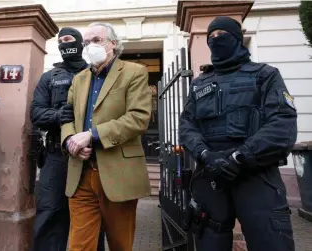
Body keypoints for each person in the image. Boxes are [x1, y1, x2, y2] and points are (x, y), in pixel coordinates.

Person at [179, 16, 297, 251]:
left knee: (271, 242)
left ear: (237, 38)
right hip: (211, 176)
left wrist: (240, 157)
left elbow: (282, 125)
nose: (215, 39)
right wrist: (205, 154)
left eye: (221, 34)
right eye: (210, 36)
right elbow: (186, 126)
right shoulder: (200, 84)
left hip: (255, 175)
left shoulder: (266, 75)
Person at [61, 22, 152, 251]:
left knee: (120, 244)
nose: (90, 46)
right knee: (79, 246)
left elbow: (138, 118)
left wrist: (91, 136)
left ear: (112, 43)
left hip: (118, 171)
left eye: (96, 40)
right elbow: (67, 116)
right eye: (86, 42)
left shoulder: (134, 72)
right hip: (81, 172)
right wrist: (70, 140)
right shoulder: (79, 78)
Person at [29, 27, 106, 251]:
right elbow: (35, 113)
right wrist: (57, 116)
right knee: (50, 212)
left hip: (91, 156)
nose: (65, 43)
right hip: (56, 156)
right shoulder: (49, 77)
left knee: (91, 215)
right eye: (61, 40)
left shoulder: (97, 72)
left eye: (69, 39)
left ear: (81, 43)